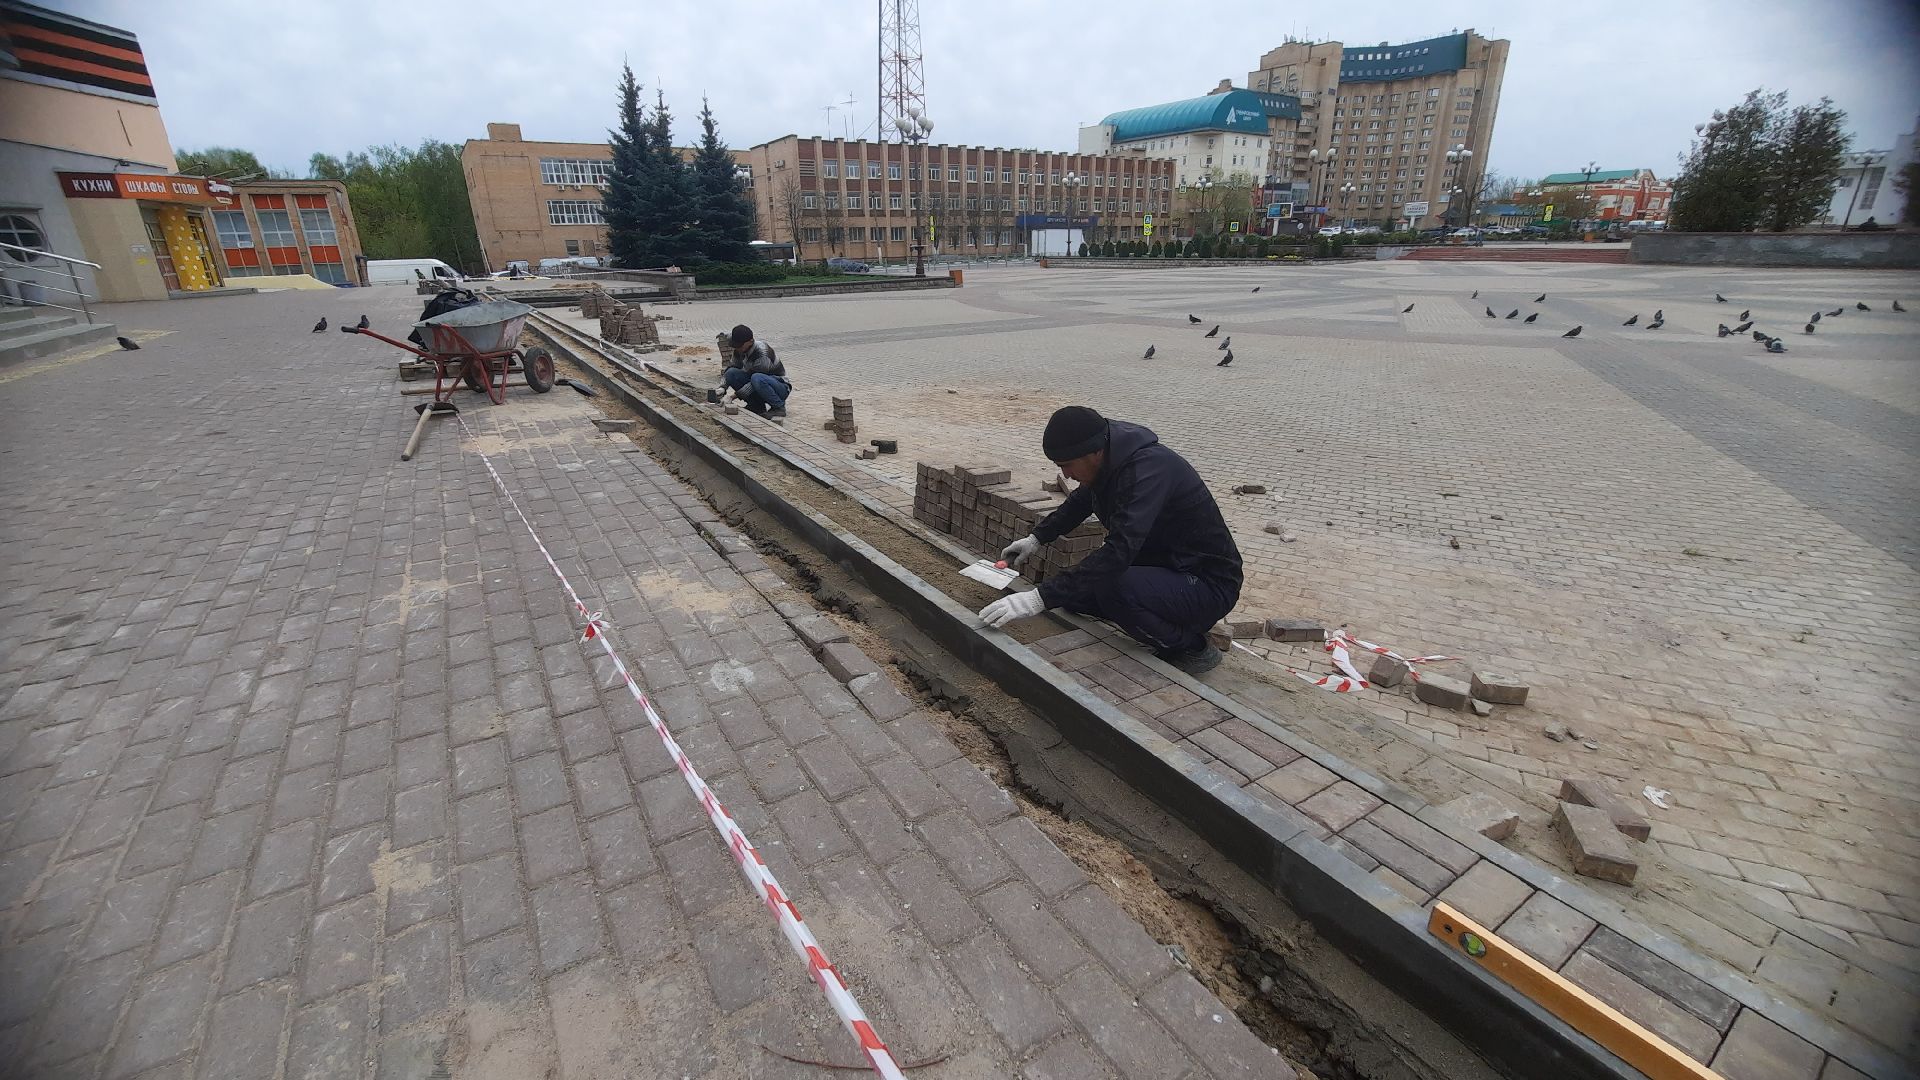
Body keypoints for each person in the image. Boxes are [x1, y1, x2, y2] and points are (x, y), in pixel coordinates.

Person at [977, 406, 1243, 674]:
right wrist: (1036, 538)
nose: (1066, 475)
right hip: (1165, 568)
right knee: (1071, 597)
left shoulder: (1147, 471)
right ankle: (1154, 610)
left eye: (1067, 465)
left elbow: (1120, 551)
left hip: (1206, 583)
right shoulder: (1109, 458)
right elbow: (1079, 503)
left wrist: (1036, 599)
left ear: (1094, 452)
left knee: (1112, 586)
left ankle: (1191, 646)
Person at [721, 324, 791, 418]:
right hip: (758, 382)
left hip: (779, 387)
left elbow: (752, 384)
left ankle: (779, 408)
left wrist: (732, 397)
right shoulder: (739, 349)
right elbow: (732, 367)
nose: (738, 348)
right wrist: (722, 388)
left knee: (756, 378)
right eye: (736, 346)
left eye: (740, 345)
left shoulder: (762, 353)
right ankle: (756, 406)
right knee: (731, 373)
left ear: (750, 341)